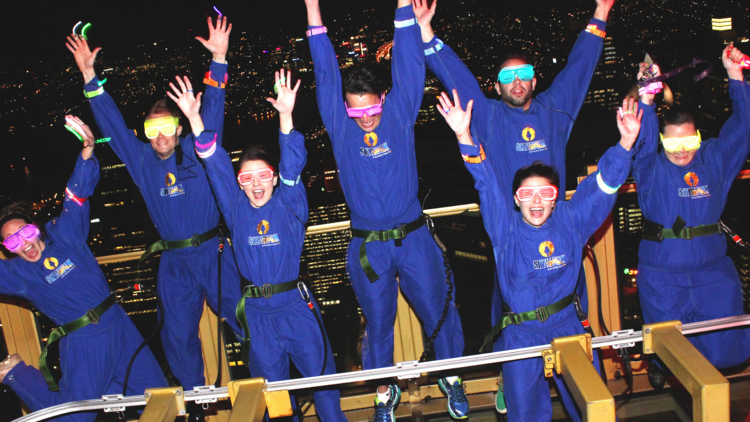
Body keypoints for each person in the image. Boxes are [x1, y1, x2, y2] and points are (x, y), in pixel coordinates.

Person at [417, 1, 614, 410]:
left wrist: (601, 11)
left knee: (571, 304)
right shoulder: (488, 116)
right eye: (508, 77)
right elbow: (459, 81)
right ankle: (514, 379)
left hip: (560, 229)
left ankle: (582, 383)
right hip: (509, 231)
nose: (517, 81)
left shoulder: (554, 110)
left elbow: (579, 70)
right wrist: (426, 36)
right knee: (510, 309)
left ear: (535, 80)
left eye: (524, 74)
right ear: (497, 87)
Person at [304, 0, 467, 420]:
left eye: (371, 107)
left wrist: (402, 10)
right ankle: (384, 394)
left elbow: (409, 64)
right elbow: (325, 74)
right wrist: (312, 8)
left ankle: (452, 379)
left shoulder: (398, 112)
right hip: (368, 247)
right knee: (377, 325)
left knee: (438, 311)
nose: (365, 118)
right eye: (355, 110)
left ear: (383, 99)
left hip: (413, 236)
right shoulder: (341, 125)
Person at [65, 17, 243, 392]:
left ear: (180, 128)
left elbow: (212, 108)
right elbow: (111, 125)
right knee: (177, 337)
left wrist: (220, 59)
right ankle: (196, 400)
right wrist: (88, 76)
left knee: (245, 318)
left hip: (214, 251)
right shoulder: (142, 160)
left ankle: (271, 383)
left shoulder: (199, 149)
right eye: (151, 130)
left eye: (167, 127)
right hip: (174, 263)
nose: (160, 136)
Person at [439, 89, 640, 421]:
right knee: (525, 414)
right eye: (526, 194)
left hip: (568, 325)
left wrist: (625, 145)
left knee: (590, 405)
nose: (536, 202)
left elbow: (602, 187)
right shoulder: (505, 229)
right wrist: (464, 135)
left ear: (556, 197)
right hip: (521, 334)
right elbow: (487, 183)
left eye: (545, 193)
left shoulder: (570, 219)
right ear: (515, 200)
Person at [187, 68, 347, 422]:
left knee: (325, 388)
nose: (256, 184)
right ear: (240, 184)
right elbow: (214, 166)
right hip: (257, 318)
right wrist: (196, 119)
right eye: (247, 177)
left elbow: (293, 162)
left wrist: (286, 116)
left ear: (275, 178)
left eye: (263, 175)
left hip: (295, 308)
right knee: (275, 401)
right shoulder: (235, 209)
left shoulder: (291, 203)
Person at [0, 116, 167, 422]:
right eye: (12, 243)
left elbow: (75, 197)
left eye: (24, 233)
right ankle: (16, 374)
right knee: (74, 418)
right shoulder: (17, 275)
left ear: (35, 229)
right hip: (84, 344)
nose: (23, 244)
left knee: (161, 403)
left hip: (119, 327)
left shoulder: (66, 237)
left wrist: (88, 150)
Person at [633, 43, 750, 388]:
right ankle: (657, 358)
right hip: (663, 273)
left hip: (712, 270)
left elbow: (743, 127)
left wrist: (734, 74)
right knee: (672, 354)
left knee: (726, 351)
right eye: (672, 145)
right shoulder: (650, 167)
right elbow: (641, 141)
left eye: (689, 142)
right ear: (662, 144)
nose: (682, 151)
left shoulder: (714, 160)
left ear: (699, 137)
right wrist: (647, 97)